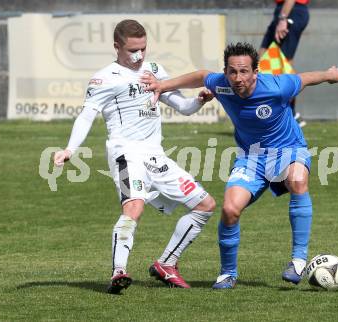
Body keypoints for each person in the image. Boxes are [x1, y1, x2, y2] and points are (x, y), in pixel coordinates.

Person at [141, 42, 338, 289]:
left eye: (244, 71)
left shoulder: (277, 87)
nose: (238, 78)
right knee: (229, 210)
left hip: (289, 150)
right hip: (251, 158)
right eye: (233, 71)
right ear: (226, 72)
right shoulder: (221, 84)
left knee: (298, 181)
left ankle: (298, 260)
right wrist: (162, 85)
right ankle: (228, 273)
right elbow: (201, 76)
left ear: (255, 72)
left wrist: (329, 75)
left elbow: (304, 78)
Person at [53, 19, 216, 294]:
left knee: (205, 205)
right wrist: (70, 149)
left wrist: (199, 100)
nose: (139, 56)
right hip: (125, 152)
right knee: (134, 206)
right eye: (132, 50)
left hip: (156, 156)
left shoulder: (153, 70)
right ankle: (119, 271)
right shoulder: (104, 78)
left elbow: (184, 108)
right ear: (117, 47)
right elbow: (87, 115)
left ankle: (167, 263)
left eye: (143, 48)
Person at [259, 0, 310, 127]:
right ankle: (288, 114)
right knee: (261, 60)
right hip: (283, 11)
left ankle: (290, 114)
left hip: (291, 11)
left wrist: (283, 18)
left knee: (283, 66)